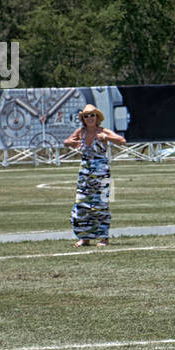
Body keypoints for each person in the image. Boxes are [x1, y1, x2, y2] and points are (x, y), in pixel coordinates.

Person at [64, 105, 125, 247]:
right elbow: (66, 142)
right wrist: (72, 142)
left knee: (102, 205)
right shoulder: (81, 132)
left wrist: (106, 137)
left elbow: (122, 141)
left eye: (92, 115)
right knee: (81, 204)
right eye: (86, 116)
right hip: (85, 175)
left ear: (97, 117)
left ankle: (103, 238)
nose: (89, 118)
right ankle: (84, 237)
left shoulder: (103, 131)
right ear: (83, 119)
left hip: (102, 174)